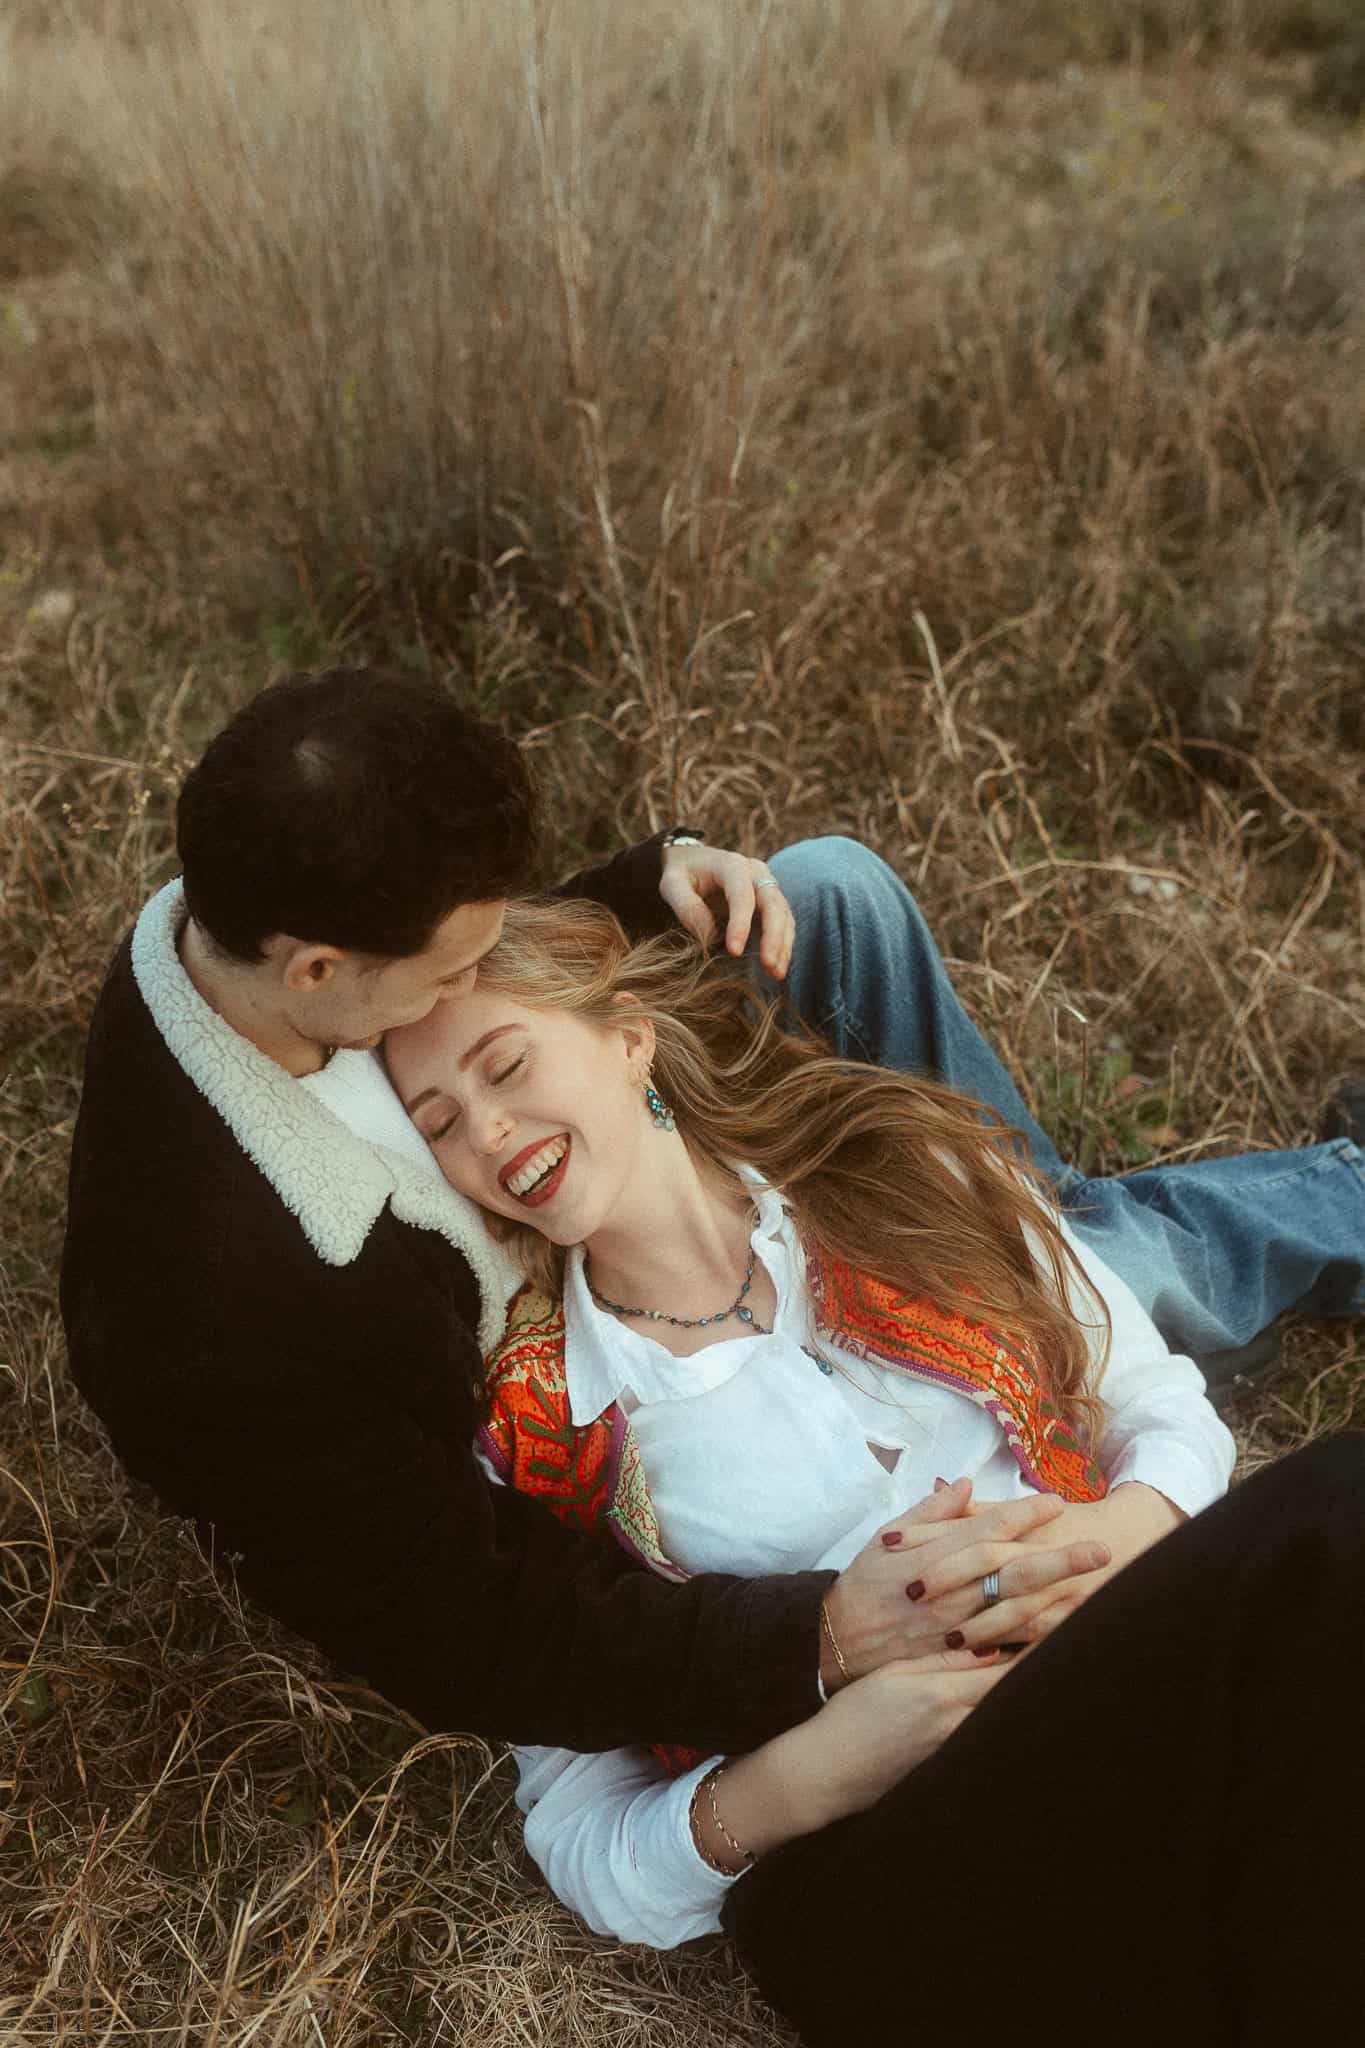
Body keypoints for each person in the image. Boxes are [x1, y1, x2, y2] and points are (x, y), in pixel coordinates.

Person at [63, 664, 1362, 1766]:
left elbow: (474, 969)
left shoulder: (234, 923)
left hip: (674, 1174)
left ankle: (1021, 1218)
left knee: (825, 896)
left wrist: (647, 883)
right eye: (457, 965)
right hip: (614, 1291)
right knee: (1107, 1266)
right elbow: (477, 1631)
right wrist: (818, 1640)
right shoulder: (216, 1326)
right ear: (319, 975)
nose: (482, 968)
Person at [383, 897, 1365, 2044]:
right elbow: (579, 1829)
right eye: (441, 1122)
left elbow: (1156, 1406)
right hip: (879, 1863)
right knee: (1337, 1508)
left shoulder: (898, 1162)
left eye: (507, 1066)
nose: (491, 1133)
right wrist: (818, 1767)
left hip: (1109, 1681)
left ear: (628, 1031)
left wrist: (1110, 1543)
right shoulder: (540, 1424)